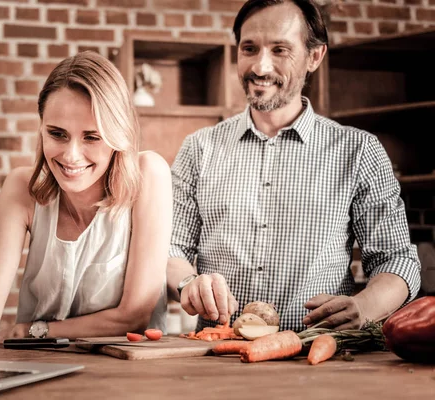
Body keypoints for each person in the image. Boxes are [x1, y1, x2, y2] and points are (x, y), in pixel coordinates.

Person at [167, 0, 421, 333]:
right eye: (249, 48)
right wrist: (188, 282)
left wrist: (364, 305)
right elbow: (170, 248)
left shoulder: (358, 151)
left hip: (319, 356)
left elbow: (396, 259)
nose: (260, 66)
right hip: (217, 353)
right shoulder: (199, 148)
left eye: (280, 49)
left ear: (314, 56)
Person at [0, 51, 172, 343]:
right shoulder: (20, 188)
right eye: (57, 134)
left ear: (118, 136)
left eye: (92, 137)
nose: (71, 156)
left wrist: (33, 331)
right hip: (37, 365)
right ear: (41, 128)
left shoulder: (148, 175)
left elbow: (134, 316)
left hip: (128, 374)